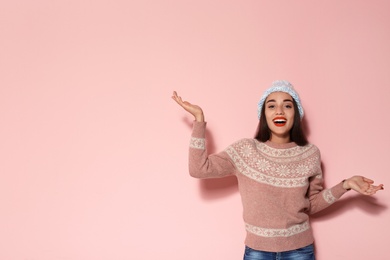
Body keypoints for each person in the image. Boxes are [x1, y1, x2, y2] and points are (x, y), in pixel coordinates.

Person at [171, 80, 384, 260]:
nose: (279, 110)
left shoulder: (310, 154)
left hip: (300, 251)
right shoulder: (246, 150)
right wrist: (199, 120)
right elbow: (199, 168)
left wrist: (345, 185)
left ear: (296, 113)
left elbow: (310, 205)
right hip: (257, 251)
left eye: (287, 105)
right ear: (264, 114)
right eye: (271, 105)